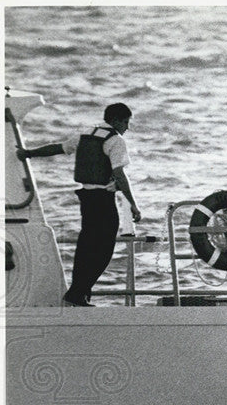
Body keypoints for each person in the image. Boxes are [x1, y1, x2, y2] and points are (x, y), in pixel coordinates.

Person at [16, 102, 141, 306]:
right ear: (115, 121)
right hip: (103, 200)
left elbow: (58, 148)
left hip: (86, 199)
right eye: (126, 122)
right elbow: (119, 174)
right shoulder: (116, 141)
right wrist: (133, 204)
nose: (127, 127)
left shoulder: (86, 134)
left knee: (85, 246)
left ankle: (80, 293)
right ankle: (78, 293)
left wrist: (28, 153)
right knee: (104, 250)